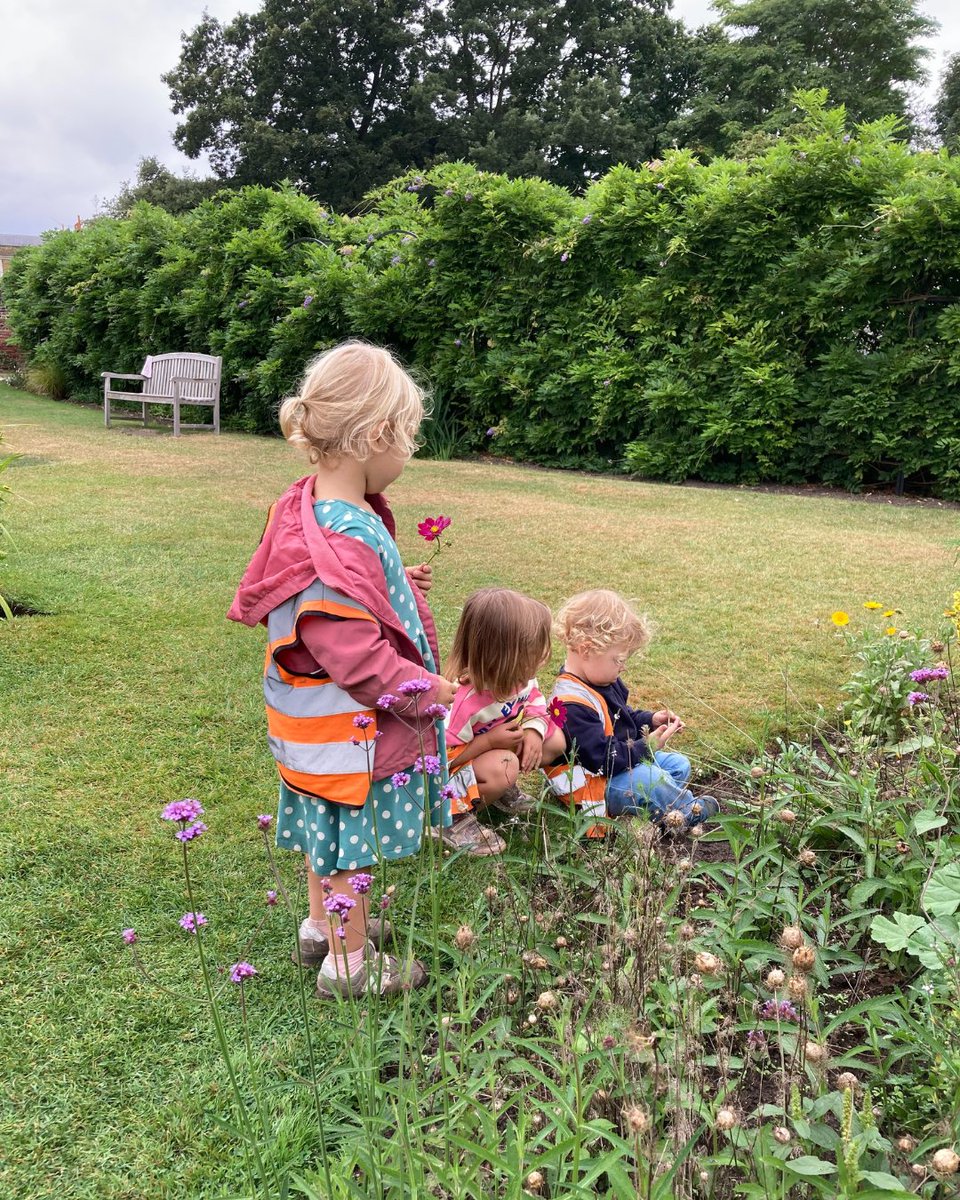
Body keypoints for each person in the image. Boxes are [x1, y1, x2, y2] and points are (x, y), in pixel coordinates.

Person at [228, 341, 458, 998]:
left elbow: (340, 596)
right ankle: (348, 963)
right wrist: (428, 691)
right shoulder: (341, 534)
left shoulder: (315, 506)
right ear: (377, 434)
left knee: (323, 831)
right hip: (346, 733)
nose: (408, 453)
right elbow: (353, 654)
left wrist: (394, 580)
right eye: (408, 438)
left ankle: (319, 927)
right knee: (348, 843)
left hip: (312, 726)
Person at [547, 589, 718, 833]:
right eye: (618, 660)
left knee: (679, 765)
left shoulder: (601, 679)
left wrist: (650, 720)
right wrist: (647, 746)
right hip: (592, 784)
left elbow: (623, 720)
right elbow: (604, 761)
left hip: (618, 767)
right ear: (586, 650)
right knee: (650, 780)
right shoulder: (571, 704)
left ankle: (655, 809)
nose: (624, 667)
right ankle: (687, 813)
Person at [440, 587, 567, 855]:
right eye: (534, 650)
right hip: (448, 778)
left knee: (554, 741)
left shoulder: (518, 678)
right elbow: (441, 761)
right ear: (503, 655)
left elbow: (535, 701)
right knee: (505, 765)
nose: (543, 656)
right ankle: (452, 818)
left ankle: (499, 789)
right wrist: (489, 742)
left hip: (493, 752)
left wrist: (533, 731)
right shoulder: (462, 702)